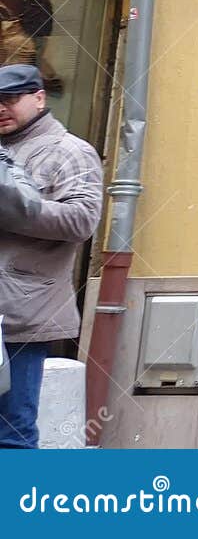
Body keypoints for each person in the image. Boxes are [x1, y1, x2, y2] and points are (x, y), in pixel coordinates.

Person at [0, 64, 103, 448]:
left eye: (11, 99)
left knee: (11, 431)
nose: (1, 108)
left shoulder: (70, 152)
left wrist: (16, 209)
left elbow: (81, 221)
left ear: (39, 97)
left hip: (20, 315)